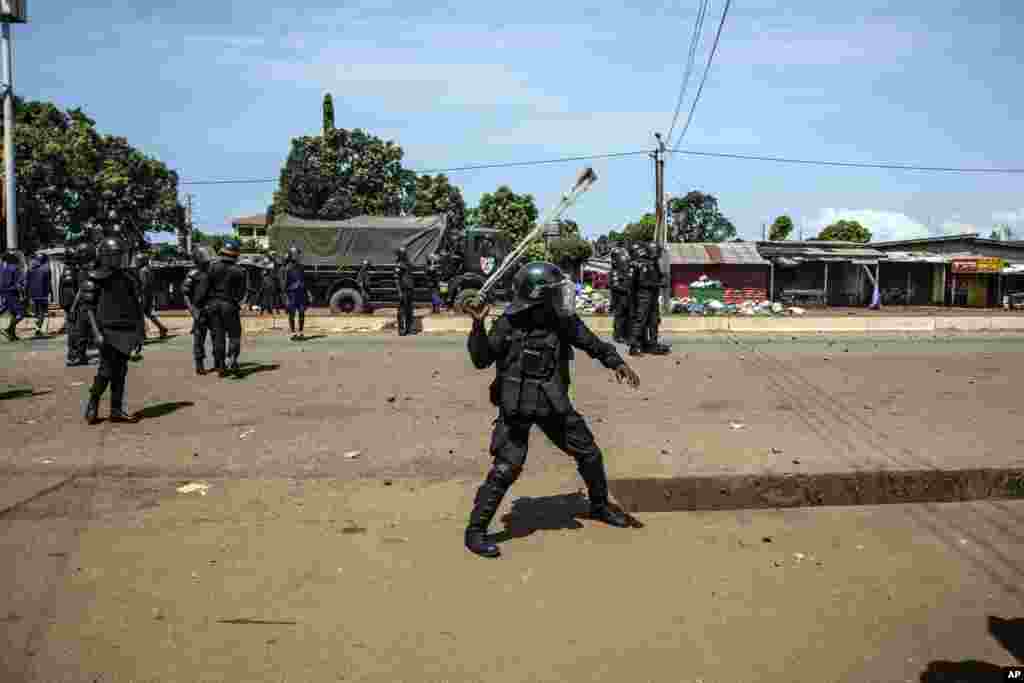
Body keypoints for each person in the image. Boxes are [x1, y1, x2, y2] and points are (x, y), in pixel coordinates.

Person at [462, 261, 642, 558]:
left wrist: (616, 362)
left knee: (589, 453)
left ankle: (599, 506)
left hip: (552, 405)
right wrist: (478, 325)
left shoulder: (561, 320)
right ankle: (475, 531)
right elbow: (481, 358)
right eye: (554, 291)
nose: (560, 296)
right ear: (537, 295)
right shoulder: (509, 322)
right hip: (517, 407)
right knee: (506, 469)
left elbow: (592, 344)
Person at [80, 236, 145, 425]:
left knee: (121, 371)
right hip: (105, 330)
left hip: (126, 330)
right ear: (105, 256)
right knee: (106, 371)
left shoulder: (128, 278)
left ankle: (116, 410)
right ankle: (93, 401)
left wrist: (139, 332)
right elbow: (89, 309)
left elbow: (136, 307)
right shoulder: (93, 278)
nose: (118, 258)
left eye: (120, 255)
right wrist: (96, 333)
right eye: (115, 255)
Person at [195, 238, 247, 377]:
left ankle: (221, 366)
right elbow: (241, 294)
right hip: (230, 306)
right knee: (234, 334)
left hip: (213, 306)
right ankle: (233, 358)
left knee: (218, 336)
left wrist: (199, 305)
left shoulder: (212, 267)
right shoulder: (240, 271)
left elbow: (203, 289)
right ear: (236, 254)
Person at [628, 242, 670, 357]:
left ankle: (653, 345)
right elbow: (642, 282)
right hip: (643, 296)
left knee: (654, 320)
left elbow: (659, 276)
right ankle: (634, 346)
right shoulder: (641, 264)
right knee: (640, 320)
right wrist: (658, 284)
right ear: (653, 251)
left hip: (653, 296)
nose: (659, 255)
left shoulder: (654, 263)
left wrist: (663, 279)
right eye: (658, 252)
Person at [182, 246, 213, 375]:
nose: (207, 261)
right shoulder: (192, 274)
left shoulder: (212, 272)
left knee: (218, 337)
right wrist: (193, 311)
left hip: (212, 309)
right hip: (199, 310)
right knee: (199, 339)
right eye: (204, 258)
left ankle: (219, 362)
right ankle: (199, 364)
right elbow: (186, 294)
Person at [135, 254, 169, 351]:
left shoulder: (142, 270)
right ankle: (162, 328)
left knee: (140, 315)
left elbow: (144, 284)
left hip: (145, 295)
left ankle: (142, 335)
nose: (136, 262)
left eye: (138, 260)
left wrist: (140, 296)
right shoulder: (148, 269)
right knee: (148, 314)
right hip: (150, 294)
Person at [283, 246, 308, 340]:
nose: (298, 256)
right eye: (297, 254)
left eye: (298, 254)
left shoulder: (301, 267)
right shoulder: (288, 268)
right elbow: (284, 284)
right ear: (292, 255)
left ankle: (301, 332)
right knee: (292, 314)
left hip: (301, 293)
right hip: (292, 294)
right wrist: (286, 297)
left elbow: (304, 280)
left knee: (302, 312)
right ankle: (293, 333)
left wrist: (306, 292)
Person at [0, 252, 26, 341]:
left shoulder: (2, 268)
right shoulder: (14, 268)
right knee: (21, 313)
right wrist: (21, 292)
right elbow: (19, 283)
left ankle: (12, 334)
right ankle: (8, 329)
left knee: (13, 314)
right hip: (12, 293)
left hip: (5, 293)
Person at [26, 253, 52, 337]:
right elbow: (48, 283)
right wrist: (50, 293)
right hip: (43, 293)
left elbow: (27, 282)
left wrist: (27, 294)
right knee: (42, 312)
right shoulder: (46, 269)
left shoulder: (30, 269)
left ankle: (37, 327)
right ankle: (38, 329)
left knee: (37, 312)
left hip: (33, 294)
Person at [609, 245, 631, 344]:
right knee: (620, 318)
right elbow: (615, 285)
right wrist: (627, 290)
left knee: (627, 317)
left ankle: (626, 335)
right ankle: (618, 336)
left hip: (626, 298)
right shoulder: (614, 272)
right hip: (618, 299)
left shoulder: (625, 272)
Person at [394, 246, 415, 335]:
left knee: (409, 310)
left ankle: (409, 328)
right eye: (403, 253)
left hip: (410, 289)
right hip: (403, 290)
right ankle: (401, 329)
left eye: (405, 253)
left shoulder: (407, 263)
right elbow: (396, 279)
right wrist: (399, 292)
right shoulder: (399, 265)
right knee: (402, 311)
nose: (405, 254)